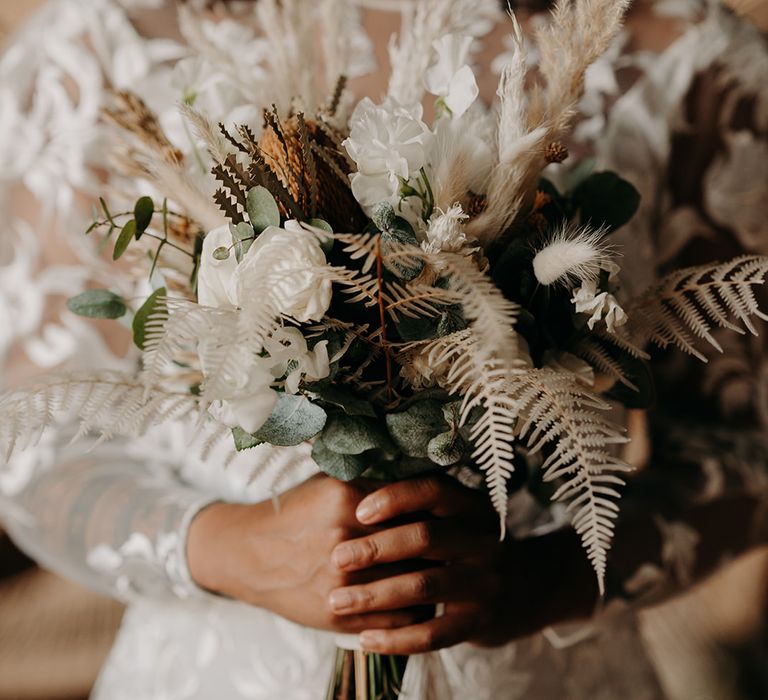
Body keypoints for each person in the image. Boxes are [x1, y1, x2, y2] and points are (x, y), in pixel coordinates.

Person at [0, 1, 766, 698]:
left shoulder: (690, 57)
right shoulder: (107, 44)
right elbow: (32, 439)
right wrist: (232, 549)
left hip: (540, 666)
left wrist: (538, 580)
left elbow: (744, 444)